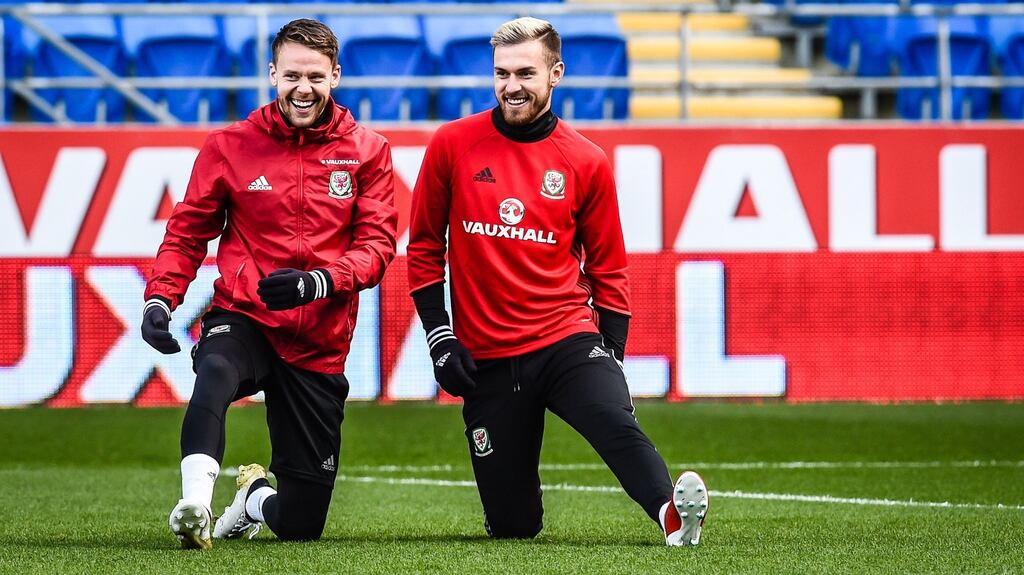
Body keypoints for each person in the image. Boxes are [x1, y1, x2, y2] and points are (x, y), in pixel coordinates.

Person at [407, 17, 709, 546]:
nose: (512, 86)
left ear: (556, 73)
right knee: (514, 526)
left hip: (565, 339)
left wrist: (613, 353)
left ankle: (672, 516)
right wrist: (439, 337)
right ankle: (510, 511)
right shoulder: (452, 145)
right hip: (487, 359)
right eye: (501, 73)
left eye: (525, 73)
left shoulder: (586, 160)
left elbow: (608, 266)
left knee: (613, 419)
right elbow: (425, 247)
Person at [141, 18, 397, 549]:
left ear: (335, 77)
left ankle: (252, 498)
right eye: (293, 75)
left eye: (316, 77)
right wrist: (161, 298)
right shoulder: (229, 145)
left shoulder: (368, 150)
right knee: (215, 370)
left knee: (301, 525)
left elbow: (377, 247)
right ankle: (194, 506)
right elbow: (188, 232)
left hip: (320, 339)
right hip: (246, 315)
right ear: (273, 74)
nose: (304, 88)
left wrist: (318, 283)